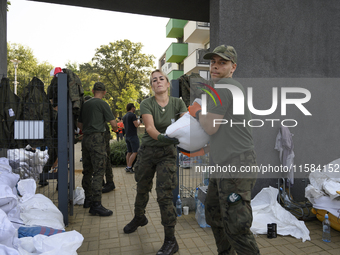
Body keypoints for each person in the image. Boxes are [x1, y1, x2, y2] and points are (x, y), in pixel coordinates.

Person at [189, 45, 260, 254]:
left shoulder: (225, 87)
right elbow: (225, 132)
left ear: (233, 67)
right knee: (215, 214)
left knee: (236, 226)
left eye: (222, 62)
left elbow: (210, 126)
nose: (215, 66)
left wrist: (197, 112)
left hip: (235, 165)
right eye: (213, 62)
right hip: (225, 164)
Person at [123, 70, 187, 255]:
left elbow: (185, 124)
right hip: (148, 151)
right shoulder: (146, 103)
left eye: (161, 79)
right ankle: (139, 217)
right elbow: (149, 127)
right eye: (154, 80)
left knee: (164, 195)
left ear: (168, 84)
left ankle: (170, 240)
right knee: (142, 187)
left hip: (167, 154)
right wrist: (164, 138)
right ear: (152, 86)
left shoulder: (178, 102)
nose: (157, 82)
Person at [77, 82, 118, 216]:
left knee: (87, 170)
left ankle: (88, 199)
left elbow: (80, 125)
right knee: (99, 171)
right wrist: (116, 128)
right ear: (104, 92)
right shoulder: (103, 104)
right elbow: (113, 124)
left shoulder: (85, 104)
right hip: (98, 139)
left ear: (93, 90)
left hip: (86, 139)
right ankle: (96, 204)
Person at [84, 95, 115, 194]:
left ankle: (109, 182)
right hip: (97, 141)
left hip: (102, 140)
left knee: (105, 160)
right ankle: (103, 182)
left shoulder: (100, 123)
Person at [122, 103, 140, 173]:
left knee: (129, 152)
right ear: (132, 108)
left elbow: (124, 126)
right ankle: (129, 167)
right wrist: (139, 122)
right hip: (133, 136)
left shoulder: (124, 116)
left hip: (127, 136)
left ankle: (127, 166)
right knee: (135, 151)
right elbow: (136, 125)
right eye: (134, 107)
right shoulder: (132, 115)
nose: (135, 109)